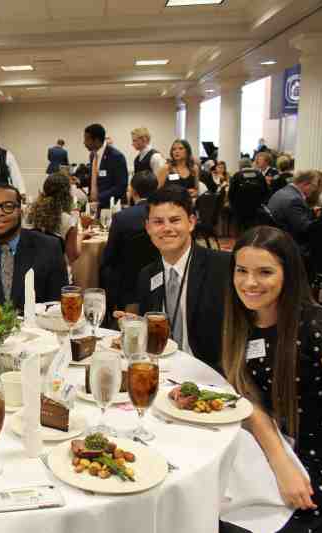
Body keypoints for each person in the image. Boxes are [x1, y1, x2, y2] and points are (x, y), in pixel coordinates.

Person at [220, 226, 322, 532]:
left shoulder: (318, 326)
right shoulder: (242, 319)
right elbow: (249, 400)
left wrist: (286, 467)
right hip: (264, 452)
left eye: (265, 272)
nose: (250, 283)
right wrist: (278, 460)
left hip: (315, 467)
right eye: (241, 270)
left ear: (288, 274)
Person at [135, 185, 231, 371]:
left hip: (210, 374)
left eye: (175, 220)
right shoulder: (147, 275)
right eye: (158, 222)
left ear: (191, 222)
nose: (167, 228)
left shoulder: (221, 267)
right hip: (162, 371)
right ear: (148, 227)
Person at [100, 171, 159, 309]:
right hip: (157, 275)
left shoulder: (121, 217)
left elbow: (109, 256)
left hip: (125, 281)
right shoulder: (163, 216)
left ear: (133, 191)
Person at [26, 173, 81, 263]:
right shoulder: (69, 221)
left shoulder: (30, 214)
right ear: (67, 194)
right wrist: (81, 236)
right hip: (57, 271)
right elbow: (72, 256)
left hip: (32, 269)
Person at [267, 170, 322, 252]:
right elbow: (305, 228)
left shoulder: (283, 191)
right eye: (314, 186)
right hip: (290, 244)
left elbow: (293, 215)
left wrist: (311, 212)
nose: (314, 190)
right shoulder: (294, 199)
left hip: (276, 236)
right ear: (305, 184)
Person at [82, 123, 128, 208]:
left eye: (87, 139)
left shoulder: (116, 156)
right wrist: (80, 181)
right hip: (94, 205)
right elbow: (95, 178)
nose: (84, 143)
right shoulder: (93, 155)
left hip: (110, 206)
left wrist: (99, 198)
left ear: (96, 140)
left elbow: (121, 186)